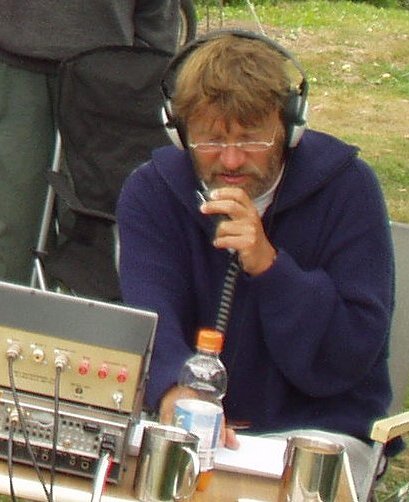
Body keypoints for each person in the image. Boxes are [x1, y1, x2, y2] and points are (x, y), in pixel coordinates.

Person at [117, 30, 396, 493]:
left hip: (319, 432)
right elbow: (150, 316)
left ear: (289, 129)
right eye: (210, 140)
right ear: (179, 133)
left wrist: (270, 267)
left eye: (251, 140)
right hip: (195, 425)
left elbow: (352, 350)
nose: (230, 160)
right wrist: (174, 390)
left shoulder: (349, 188)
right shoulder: (152, 191)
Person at [0, 0, 180, 285]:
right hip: (15, 70)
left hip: (109, 77)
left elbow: (158, 16)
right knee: (14, 225)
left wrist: (148, 63)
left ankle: (86, 312)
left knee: (96, 226)